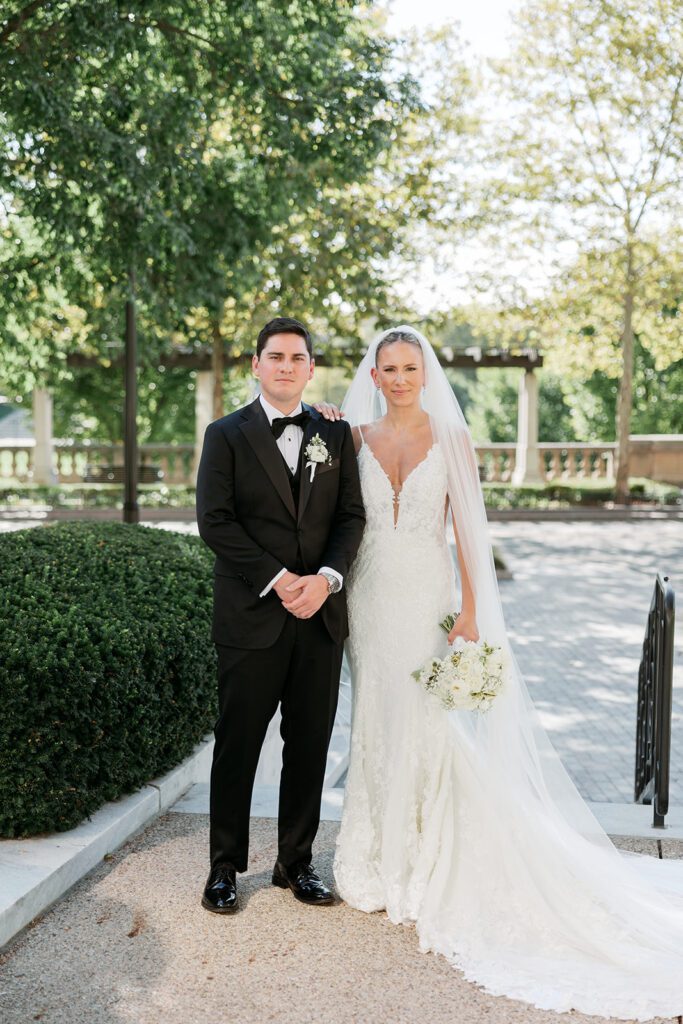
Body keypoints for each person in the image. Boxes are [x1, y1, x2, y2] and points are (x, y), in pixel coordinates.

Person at [328, 325, 683, 1020]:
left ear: (423, 374)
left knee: (428, 717)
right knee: (375, 710)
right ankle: (375, 852)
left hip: (427, 593)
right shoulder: (353, 441)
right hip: (368, 598)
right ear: (372, 377)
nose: (399, 378)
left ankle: (425, 852)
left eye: (409, 368)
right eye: (388, 369)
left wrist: (469, 609)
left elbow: (468, 529)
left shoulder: (451, 441)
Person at [196, 316, 365, 914]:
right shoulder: (225, 435)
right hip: (251, 615)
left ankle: (295, 862)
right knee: (238, 743)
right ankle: (223, 867)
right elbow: (215, 521)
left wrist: (326, 579)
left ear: (312, 368)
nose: (287, 366)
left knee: (312, 743)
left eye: (298, 357)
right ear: (256, 364)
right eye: (275, 356)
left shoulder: (335, 434)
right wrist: (279, 578)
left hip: (319, 617)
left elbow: (351, 518)